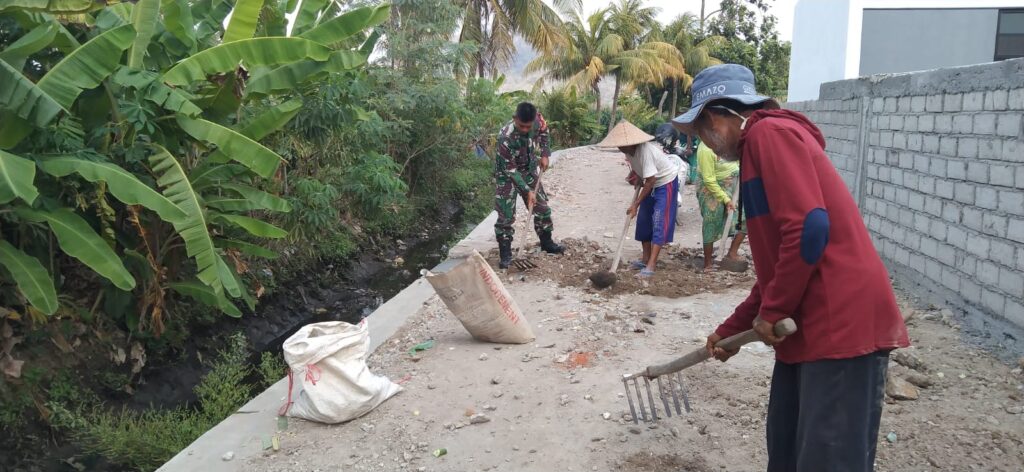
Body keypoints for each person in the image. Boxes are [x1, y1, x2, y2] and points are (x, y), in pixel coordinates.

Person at [671, 64, 910, 472]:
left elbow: (809, 227)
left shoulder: (769, 134)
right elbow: (781, 262)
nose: (706, 146)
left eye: (700, 136)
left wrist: (775, 310)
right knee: (786, 451)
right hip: (807, 325)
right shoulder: (759, 147)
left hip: (840, 322)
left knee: (827, 459)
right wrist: (732, 330)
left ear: (714, 118)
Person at [598, 121, 680, 279]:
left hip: (666, 182)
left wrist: (636, 204)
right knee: (644, 221)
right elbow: (642, 171)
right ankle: (645, 258)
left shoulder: (645, 151)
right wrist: (638, 177)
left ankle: (651, 264)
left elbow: (651, 180)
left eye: (622, 145)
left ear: (632, 143)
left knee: (658, 221)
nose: (620, 148)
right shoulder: (629, 152)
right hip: (650, 181)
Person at [494, 102, 564, 269]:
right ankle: (505, 254)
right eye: (521, 126)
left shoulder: (538, 120)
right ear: (514, 119)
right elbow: (510, 170)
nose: (525, 129)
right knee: (506, 216)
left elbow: (545, 133)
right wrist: (527, 191)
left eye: (528, 126)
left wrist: (546, 154)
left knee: (543, 209)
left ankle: (546, 242)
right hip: (507, 175)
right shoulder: (505, 137)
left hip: (529, 169)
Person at [695, 141, 746, 271]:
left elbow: (736, 162)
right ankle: (708, 263)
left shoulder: (729, 142)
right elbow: (709, 179)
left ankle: (732, 253)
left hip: (733, 185)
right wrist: (725, 199)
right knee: (711, 221)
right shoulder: (705, 149)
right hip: (711, 189)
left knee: (744, 219)